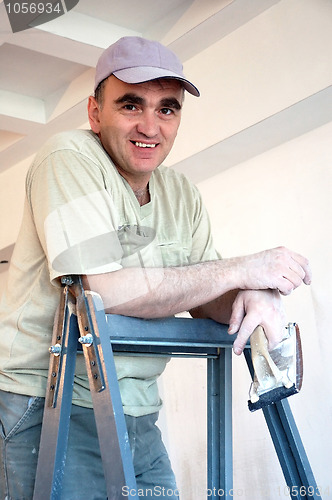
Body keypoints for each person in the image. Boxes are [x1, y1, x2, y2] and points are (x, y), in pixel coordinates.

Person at [0, 36, 311, 499]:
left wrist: (254, 294)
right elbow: (104, 291)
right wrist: (243, 268)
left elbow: (208, 298)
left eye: (167, 108)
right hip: (47, 404)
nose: (151, 125)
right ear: (94, 112)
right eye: (131, 105)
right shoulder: (67, 157)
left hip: (137, 414)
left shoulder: (182, 194)